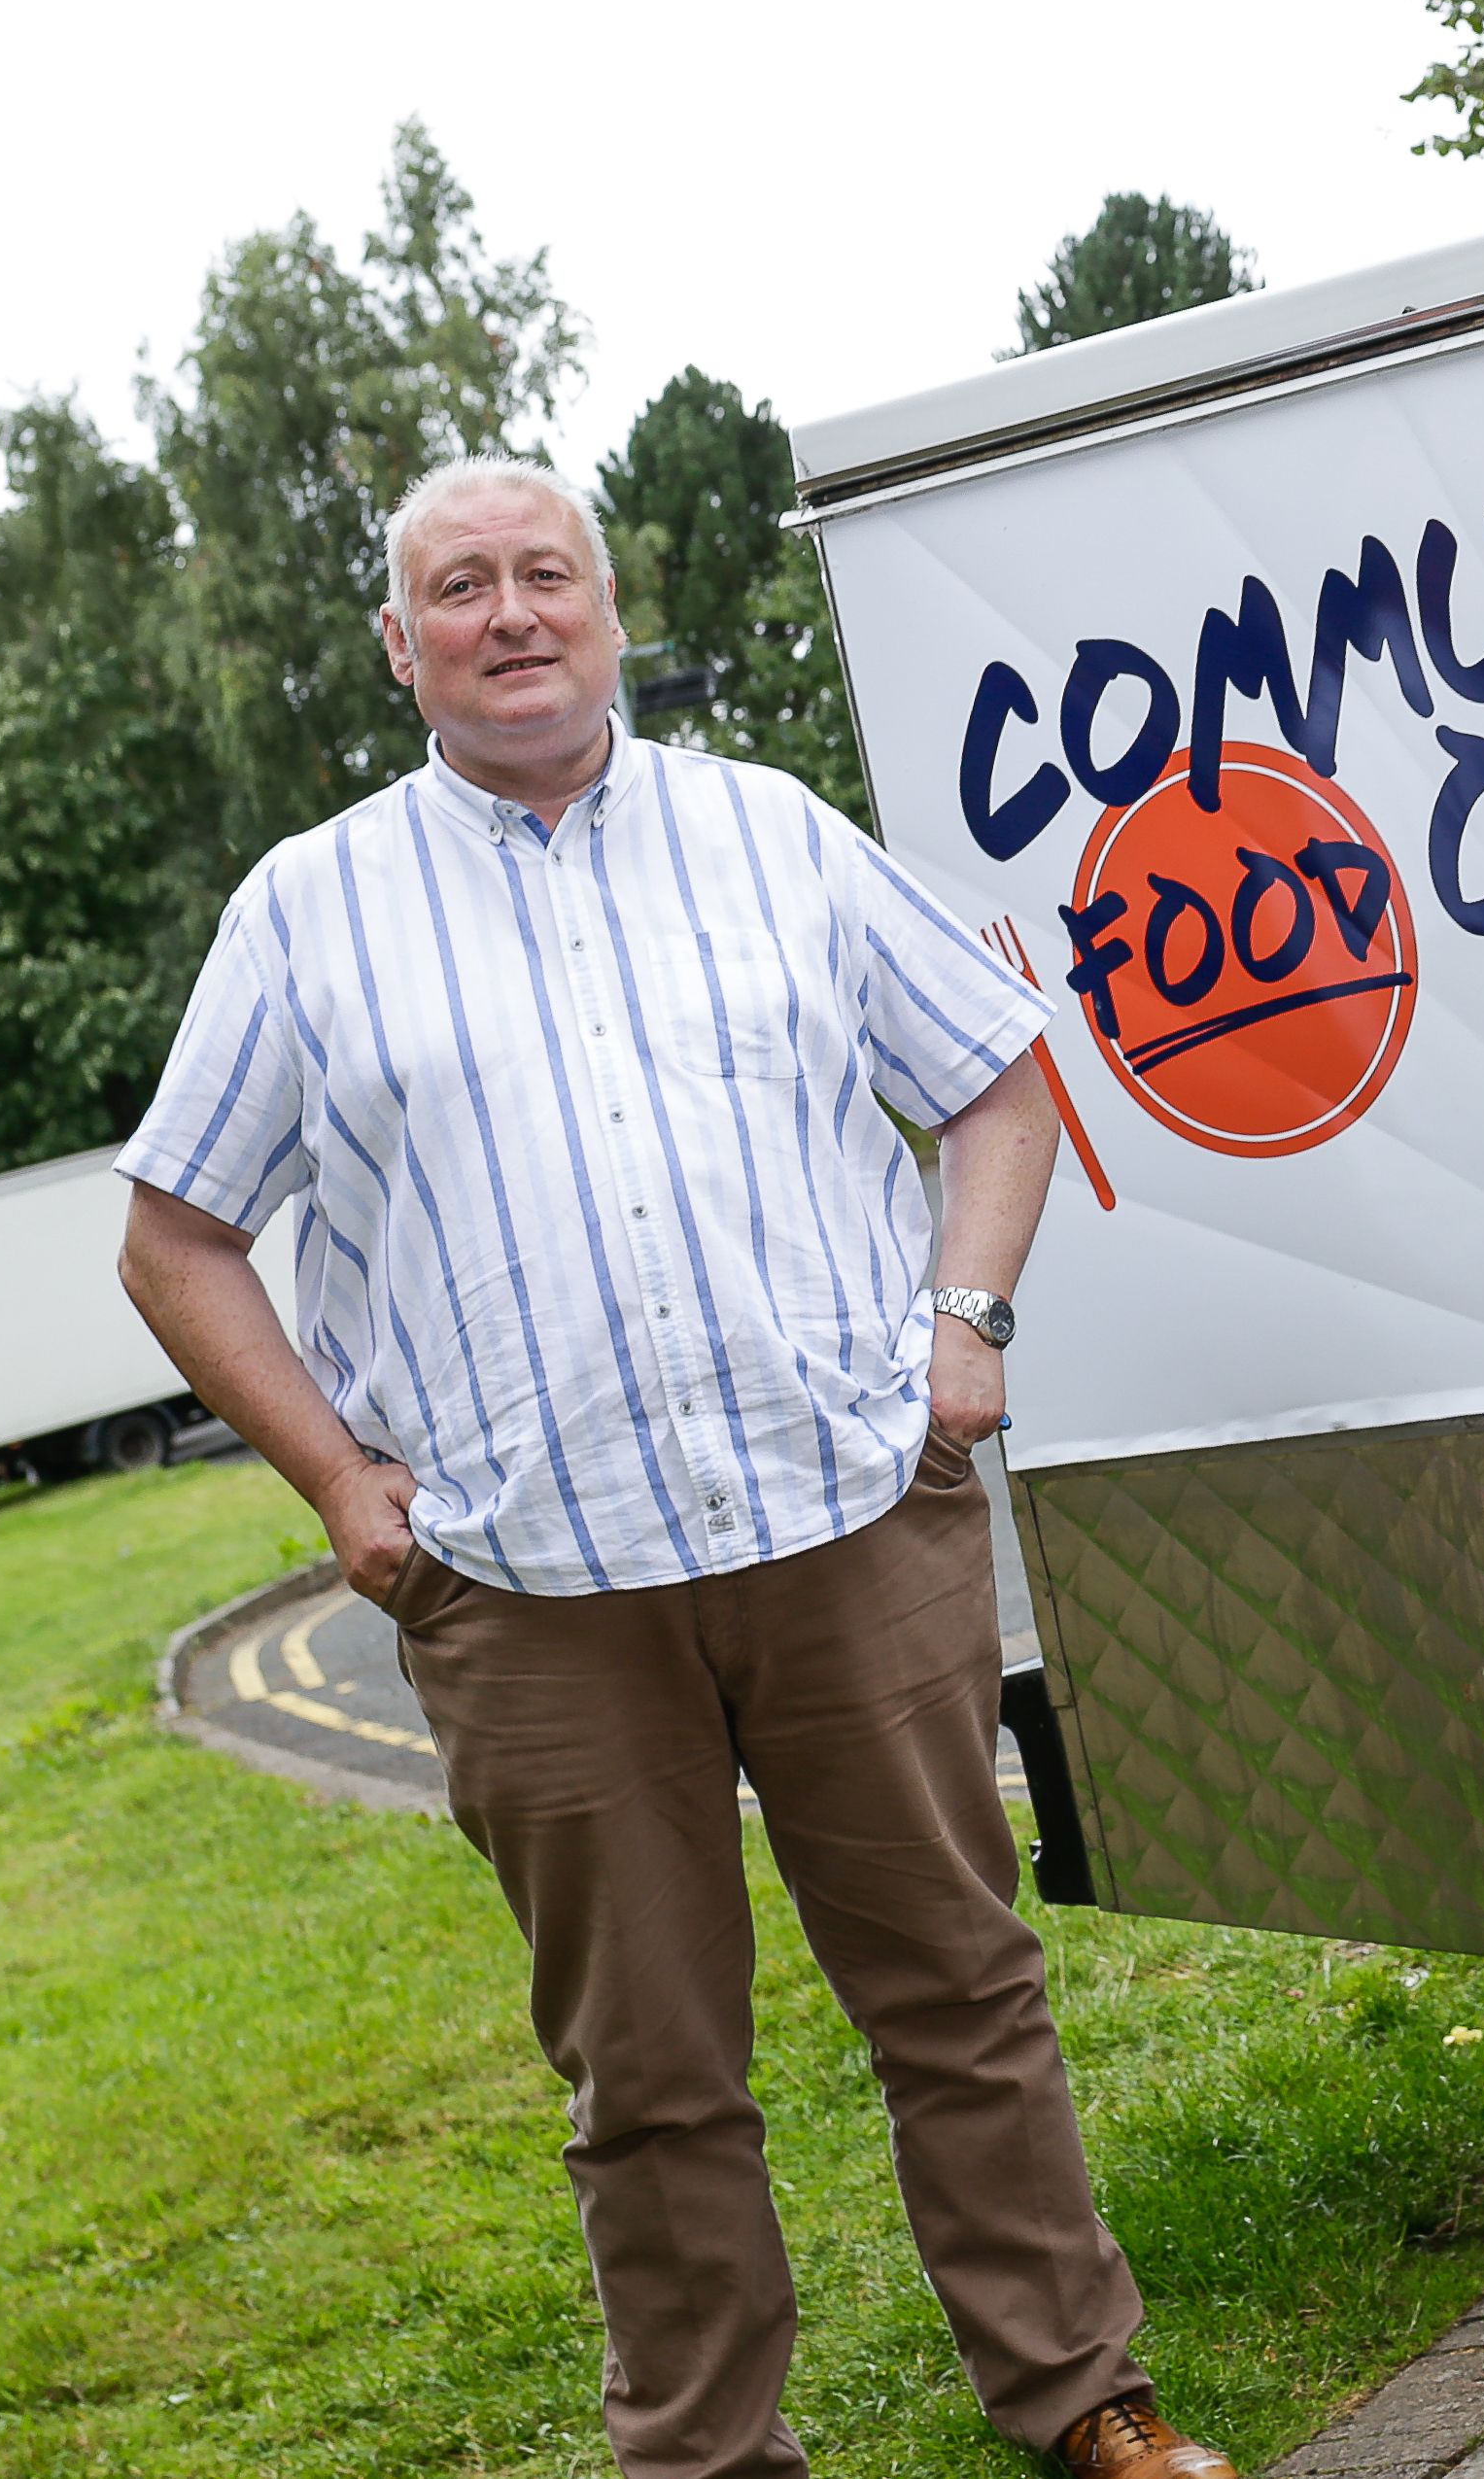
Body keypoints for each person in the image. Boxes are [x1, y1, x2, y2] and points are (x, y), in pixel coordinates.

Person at [115, 458, 1234, 2479]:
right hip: (527, 1587)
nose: (512, 612)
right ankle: (710, 2458)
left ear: (610, 609)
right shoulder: (310, 910)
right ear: (401, 644)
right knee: (646, 2077)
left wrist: (959, 1326)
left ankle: (1086, 2401)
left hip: (840, 1520)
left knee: (960, 1994)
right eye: (462, 587)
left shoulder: (771, 836)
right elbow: (175, 1236)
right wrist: (346, 1492)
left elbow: (997, 1078)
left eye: (548, 572)